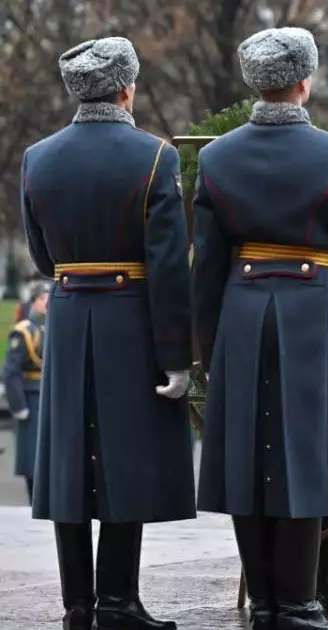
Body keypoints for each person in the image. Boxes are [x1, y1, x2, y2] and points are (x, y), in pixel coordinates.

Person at [192, 27, 328, 630]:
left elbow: (207, 264)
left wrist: (208, 344)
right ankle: (299, 603)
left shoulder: (215, 156)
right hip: (312, 309)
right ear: (305, 81)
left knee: (246, 456)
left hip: (243, 308)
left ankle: (265, 602)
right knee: (306, 450)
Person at [23, 37, 194, 630]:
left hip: (68, 312)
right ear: (127, 88)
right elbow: (170, 265)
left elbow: (43, 258)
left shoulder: (36, 157)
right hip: (131, 316)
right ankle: (119, 602)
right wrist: (178, 355)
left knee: (70, 459)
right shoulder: (154, 157)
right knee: (129, 458)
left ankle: (78, 606)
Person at [5, 282, 48, 504]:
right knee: (33, 459)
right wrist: (19, 405)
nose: (47, 304)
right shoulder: (23, 331)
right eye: (42, 299)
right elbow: (11, 371)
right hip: (32, 398)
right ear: (34, 302)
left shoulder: (53, 327)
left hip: (51, 397)